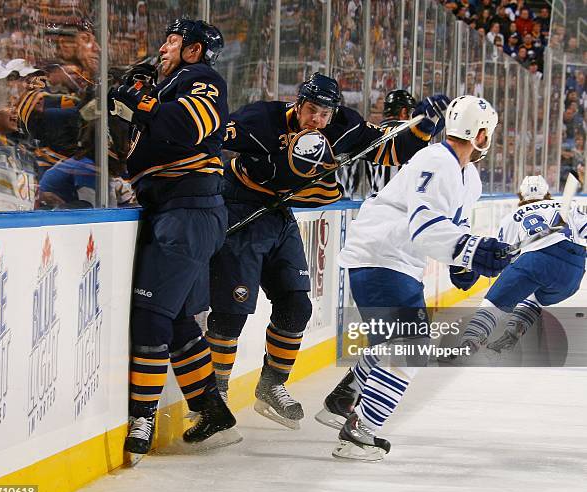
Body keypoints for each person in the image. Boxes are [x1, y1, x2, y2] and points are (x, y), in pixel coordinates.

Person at [206, 71, 451, 429]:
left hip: (277, 215)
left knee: (297, 305)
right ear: (298, 104)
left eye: (324, 114)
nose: (317, 120)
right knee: (232, 310)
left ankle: (272, 385)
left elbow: (390, 149)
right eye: (311, 111)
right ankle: (217, 395)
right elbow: (211, 138)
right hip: (242, 209)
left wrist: (424, 126)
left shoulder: (343, 126)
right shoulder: (261, 119)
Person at [316, 95, 512, 461]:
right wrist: (471, 249)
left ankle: (342, 400)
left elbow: (453, 226)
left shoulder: (468, 175)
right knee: (410, 349)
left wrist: (465, 264)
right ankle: (360, 431)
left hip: (395, 261)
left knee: (393, 345)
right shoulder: (437, 161)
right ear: (481, 134)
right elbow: (425, 228)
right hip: (382, 257)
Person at [108, 18, 240, 464]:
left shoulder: (203, 80)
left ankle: (142, 417)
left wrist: (142, 100)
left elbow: (186, 128)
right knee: (181, 321)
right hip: (175, 209)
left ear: (194, 50)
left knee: (150, 315)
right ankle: (211, 410)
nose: (162, 47)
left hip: (188, 208)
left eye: (172, 40)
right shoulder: (169, 87)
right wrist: (126, 102)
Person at [459, 175, 586, 356]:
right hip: (574, 270)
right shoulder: (567, 206)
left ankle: (466, 345)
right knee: (534, 298)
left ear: (520, 195)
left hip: (537, 260)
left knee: (493, 303)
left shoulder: (511, 217)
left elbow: (505, 257)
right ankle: (512, 335)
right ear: (547, 193)